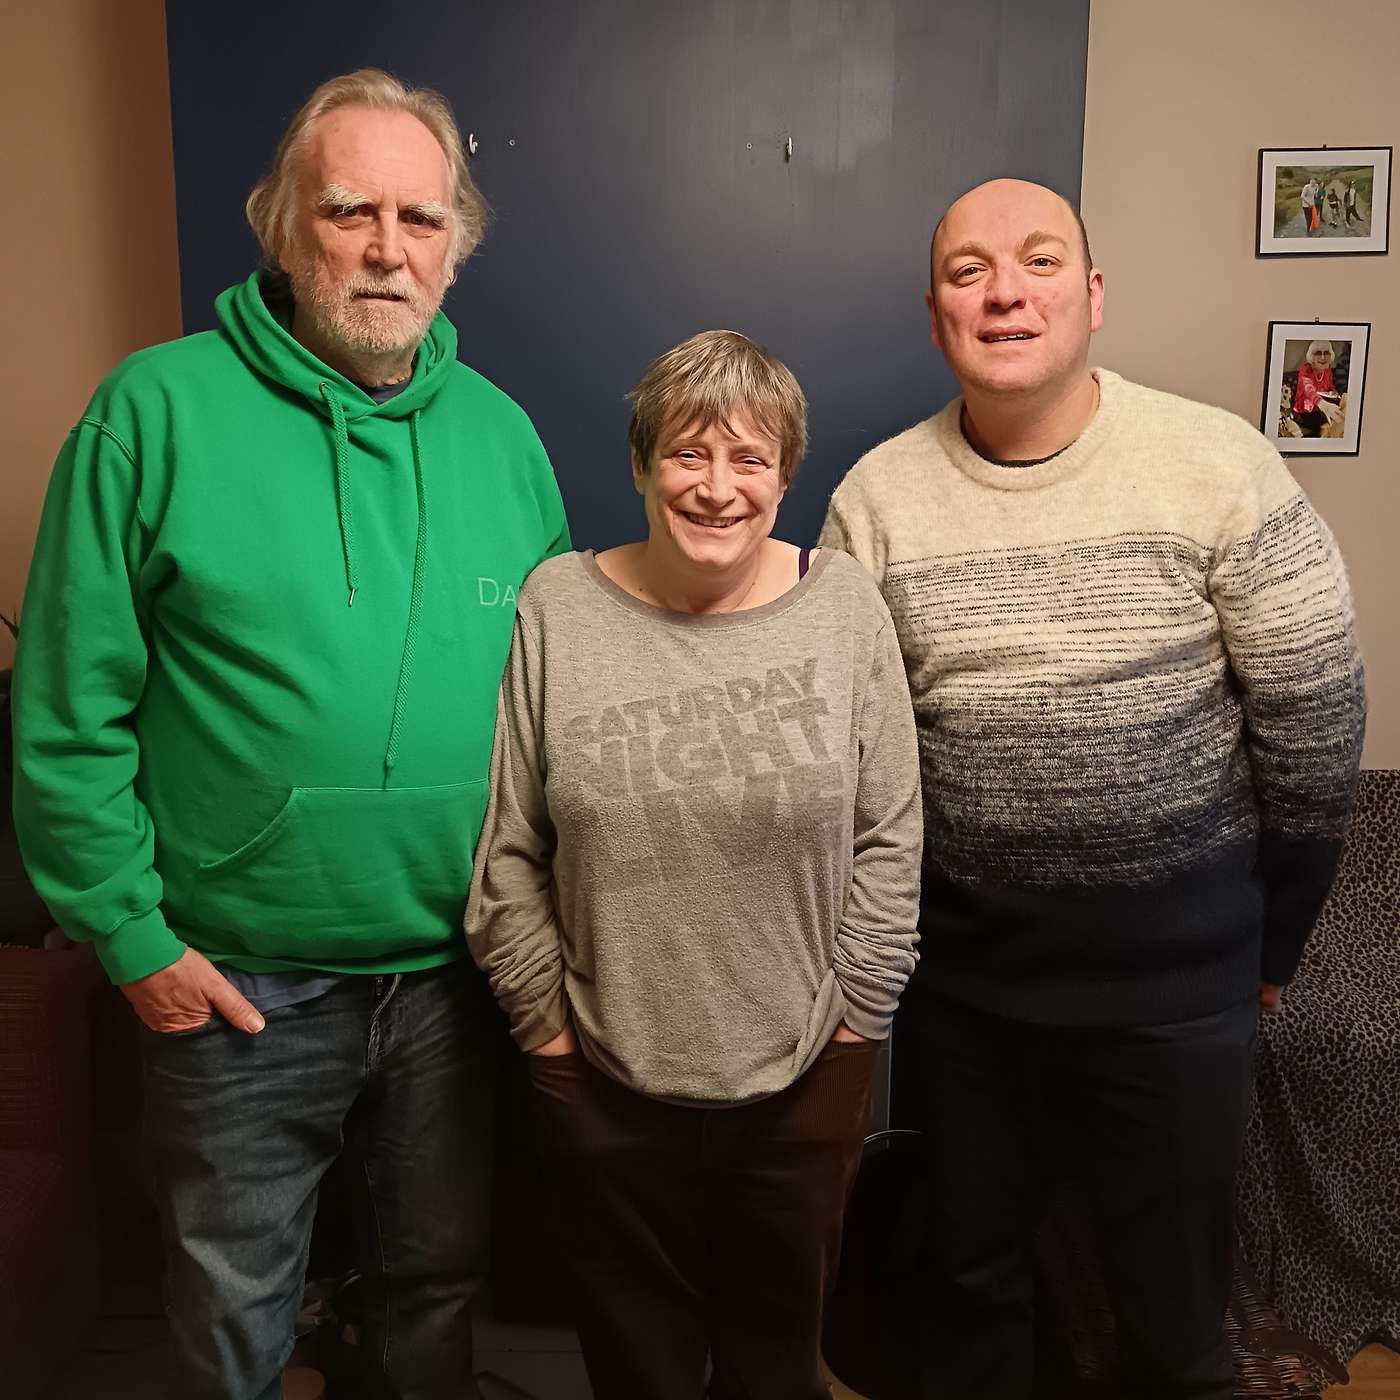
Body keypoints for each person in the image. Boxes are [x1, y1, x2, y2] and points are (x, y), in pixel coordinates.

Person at [13, 68, 569, 1400]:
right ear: (282, 227)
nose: (387, 248)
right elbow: (66, 708)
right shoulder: (150, 413)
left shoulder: (503, 439)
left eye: (420, 219)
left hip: (453, 975)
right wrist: (130, 936)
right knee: (234, 1312)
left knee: (430, 1296)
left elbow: (559, 703)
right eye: (349, 211)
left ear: (454, 249)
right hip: (234, 985)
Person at [819, 178, 1365, 1400]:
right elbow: (857, 765)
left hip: (1177, 999)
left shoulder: (1217, 464)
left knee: (1174, 1328)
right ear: (934, 316)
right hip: (964, 998)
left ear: (1092, 293)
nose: (1003, 292)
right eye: (966, 271)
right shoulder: (873, 499)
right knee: (970, 1298)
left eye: (1037, 259)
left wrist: (1272, 938)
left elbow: (1315, 727)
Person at [467, 330, 922, 1399]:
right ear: (640, 464)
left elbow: (891, 835)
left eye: (749, 457)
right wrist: (548, 1035)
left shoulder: (843, 605)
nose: (717, 487)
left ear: (784, 475)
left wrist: (854, 1023)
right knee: (639, 1370)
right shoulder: (557, 606)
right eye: (687, 452)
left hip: (805, 1079)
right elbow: (509, 850)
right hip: (600, 1079)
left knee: (775, 1372)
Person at [1293, 339, 1341, 436]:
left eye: (1326, 353)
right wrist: (1322, 404)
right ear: (1311, 356)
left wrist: (1334, 392)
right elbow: (1308, 390)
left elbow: (1330, 386)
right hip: (1304, 412)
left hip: (1320, 410)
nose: (1323, 357)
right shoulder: (1306, 369)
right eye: (1318, 353)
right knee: (1326, 427)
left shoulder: (1327, 369)